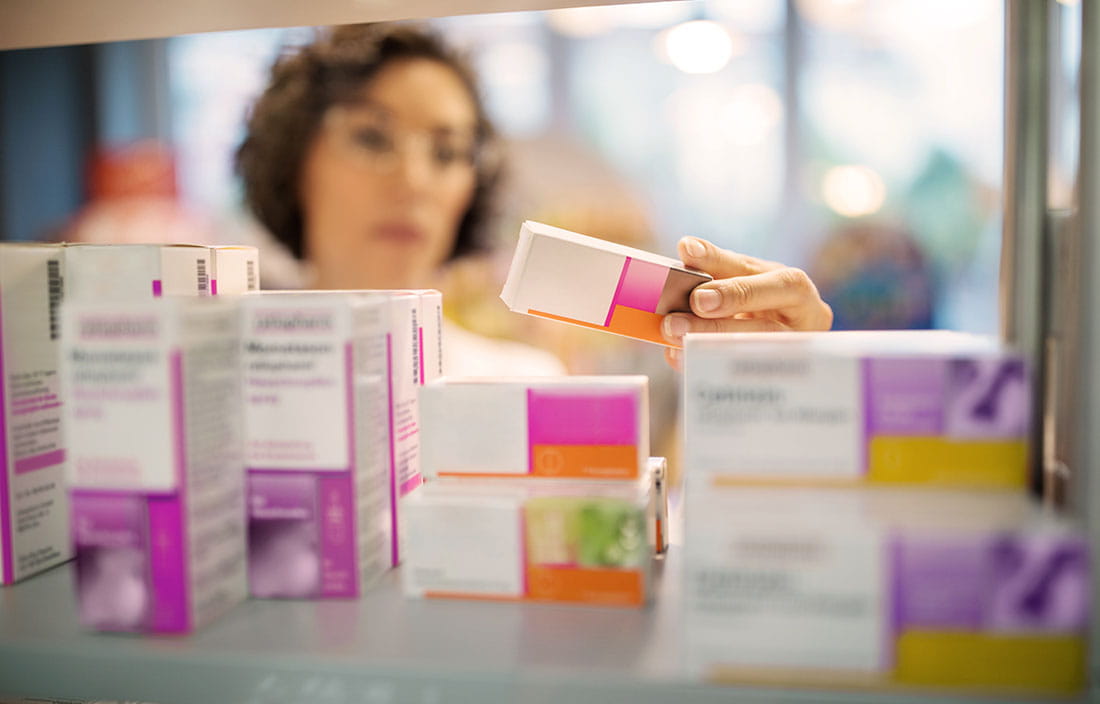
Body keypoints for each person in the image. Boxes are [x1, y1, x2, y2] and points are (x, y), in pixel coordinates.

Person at [237, 22, 832, 376]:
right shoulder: (215, 375)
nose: (414, 181)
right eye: (371, 138)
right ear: (292, 159)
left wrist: (786, 389)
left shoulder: (521, 385)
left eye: (446, 152)